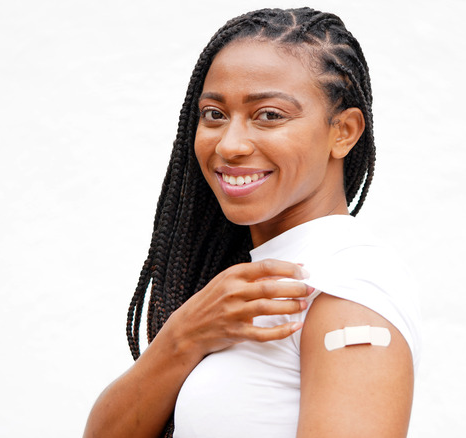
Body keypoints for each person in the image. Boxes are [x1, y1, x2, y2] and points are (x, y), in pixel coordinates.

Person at [84, 7, 421, 438]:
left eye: (269, 115)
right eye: (214, 114)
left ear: (344, 132)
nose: (231, 145)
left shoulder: (345, 287)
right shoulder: (230, 295)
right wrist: (182, 338)